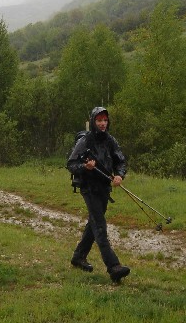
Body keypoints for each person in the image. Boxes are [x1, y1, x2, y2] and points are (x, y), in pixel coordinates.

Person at [66, 106, 130, 283]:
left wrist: (119, 175)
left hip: (104, 189)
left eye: (105, 120)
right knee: (100, 226)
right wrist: (85, 167)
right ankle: (114, 267)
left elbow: (121, 161)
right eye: (99, 120)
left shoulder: (110, 140)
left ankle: (78, 257)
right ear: (94, 121)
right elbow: (71, 164)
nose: (102, 123)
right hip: (89, 188)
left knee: (94, 223)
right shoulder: (85, 141)